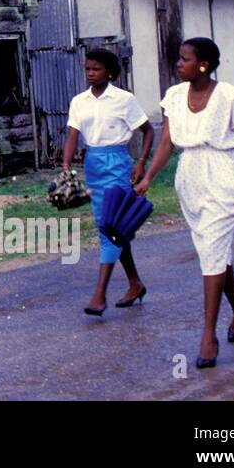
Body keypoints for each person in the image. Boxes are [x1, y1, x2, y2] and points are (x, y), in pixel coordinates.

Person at [137, 37, 234, 369]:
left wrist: (227, 161)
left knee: (212, 250)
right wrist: (149, 177)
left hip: (222, 177)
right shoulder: (175, 96)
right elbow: (166, 141)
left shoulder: (229, 96)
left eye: (185, 59)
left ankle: (208, 335)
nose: (178, 64)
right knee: (214, 251)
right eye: (178, 59)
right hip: (189, 177)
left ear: (204, 65)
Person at [62, 48, 155, 316]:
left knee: (110, 228)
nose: (91, 74)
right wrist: (66, 166)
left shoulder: (124, 99)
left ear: (110, 72)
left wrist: (141, 161)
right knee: (114, 228)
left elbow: (148, 131)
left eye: (96, 69)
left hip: (118, 165)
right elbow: (72, 135)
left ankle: (99, 295)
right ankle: (135, 283)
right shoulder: (79, 101)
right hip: (93, 165)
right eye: (87, 69)